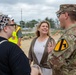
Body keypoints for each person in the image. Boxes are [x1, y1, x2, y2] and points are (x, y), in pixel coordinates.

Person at [48, 4, 76, 75]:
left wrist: (51, 52)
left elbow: (53, 61)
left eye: (59, 15)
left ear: (66, 15)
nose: (58, 18)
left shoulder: (68, 36)